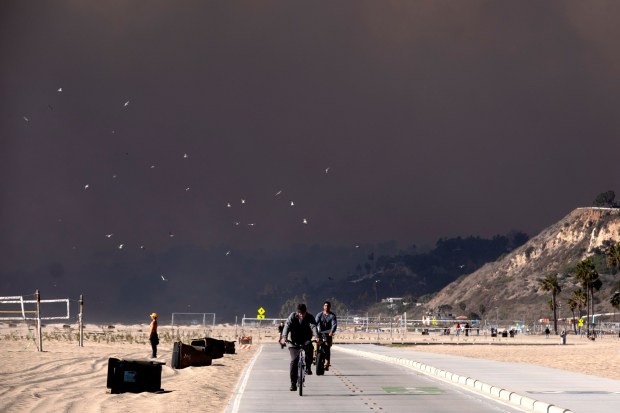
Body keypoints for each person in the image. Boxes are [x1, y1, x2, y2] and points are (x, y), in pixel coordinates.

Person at [280, 303, 318, 391]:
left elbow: (313, 326)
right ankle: (293, 383)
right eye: (300, 313)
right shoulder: (292, 316)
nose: (301, 315)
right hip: (293, 342)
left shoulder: (310, 317)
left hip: (305, 340)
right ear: (297, 312)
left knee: (310, 349)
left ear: (306, 312)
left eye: (303, 313)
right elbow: (287, 326)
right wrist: (284, 337)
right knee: (294, 361)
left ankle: (308, 367)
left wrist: (316, 336)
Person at [314, 301, 337, 371]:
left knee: (327, 348)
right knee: (315, 344)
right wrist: (314, 331)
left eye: (328, 306)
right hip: (320, 333)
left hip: (328, 334)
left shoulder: (332, 316)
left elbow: (334, 325)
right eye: (325, 306)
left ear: (330, 307)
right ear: (323, 306)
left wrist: (332, 331)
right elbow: (315, 323)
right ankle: (314, 357)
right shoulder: (319, 315)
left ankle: (326, 365)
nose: (326, 307)